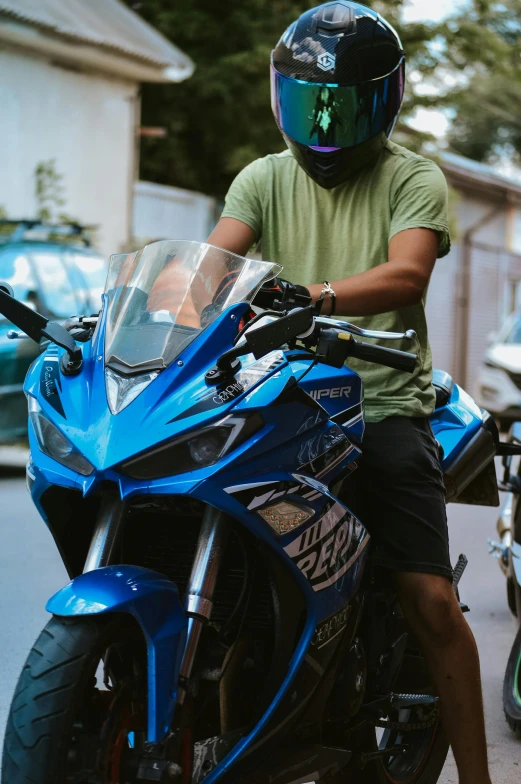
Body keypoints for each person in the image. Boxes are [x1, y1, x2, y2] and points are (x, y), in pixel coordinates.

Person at [206, 3, 492, 783]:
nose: (325, 124)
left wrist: (316, 297)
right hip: (280, 403)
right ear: (281, 98)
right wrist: (170, 297)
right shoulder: (261, 178)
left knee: (429, 600)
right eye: (309, 103)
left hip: (382, 404)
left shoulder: (413, 177)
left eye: (345, 104)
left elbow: (406, 272)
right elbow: (211, 266)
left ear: (386, 100)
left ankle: (476, 777)